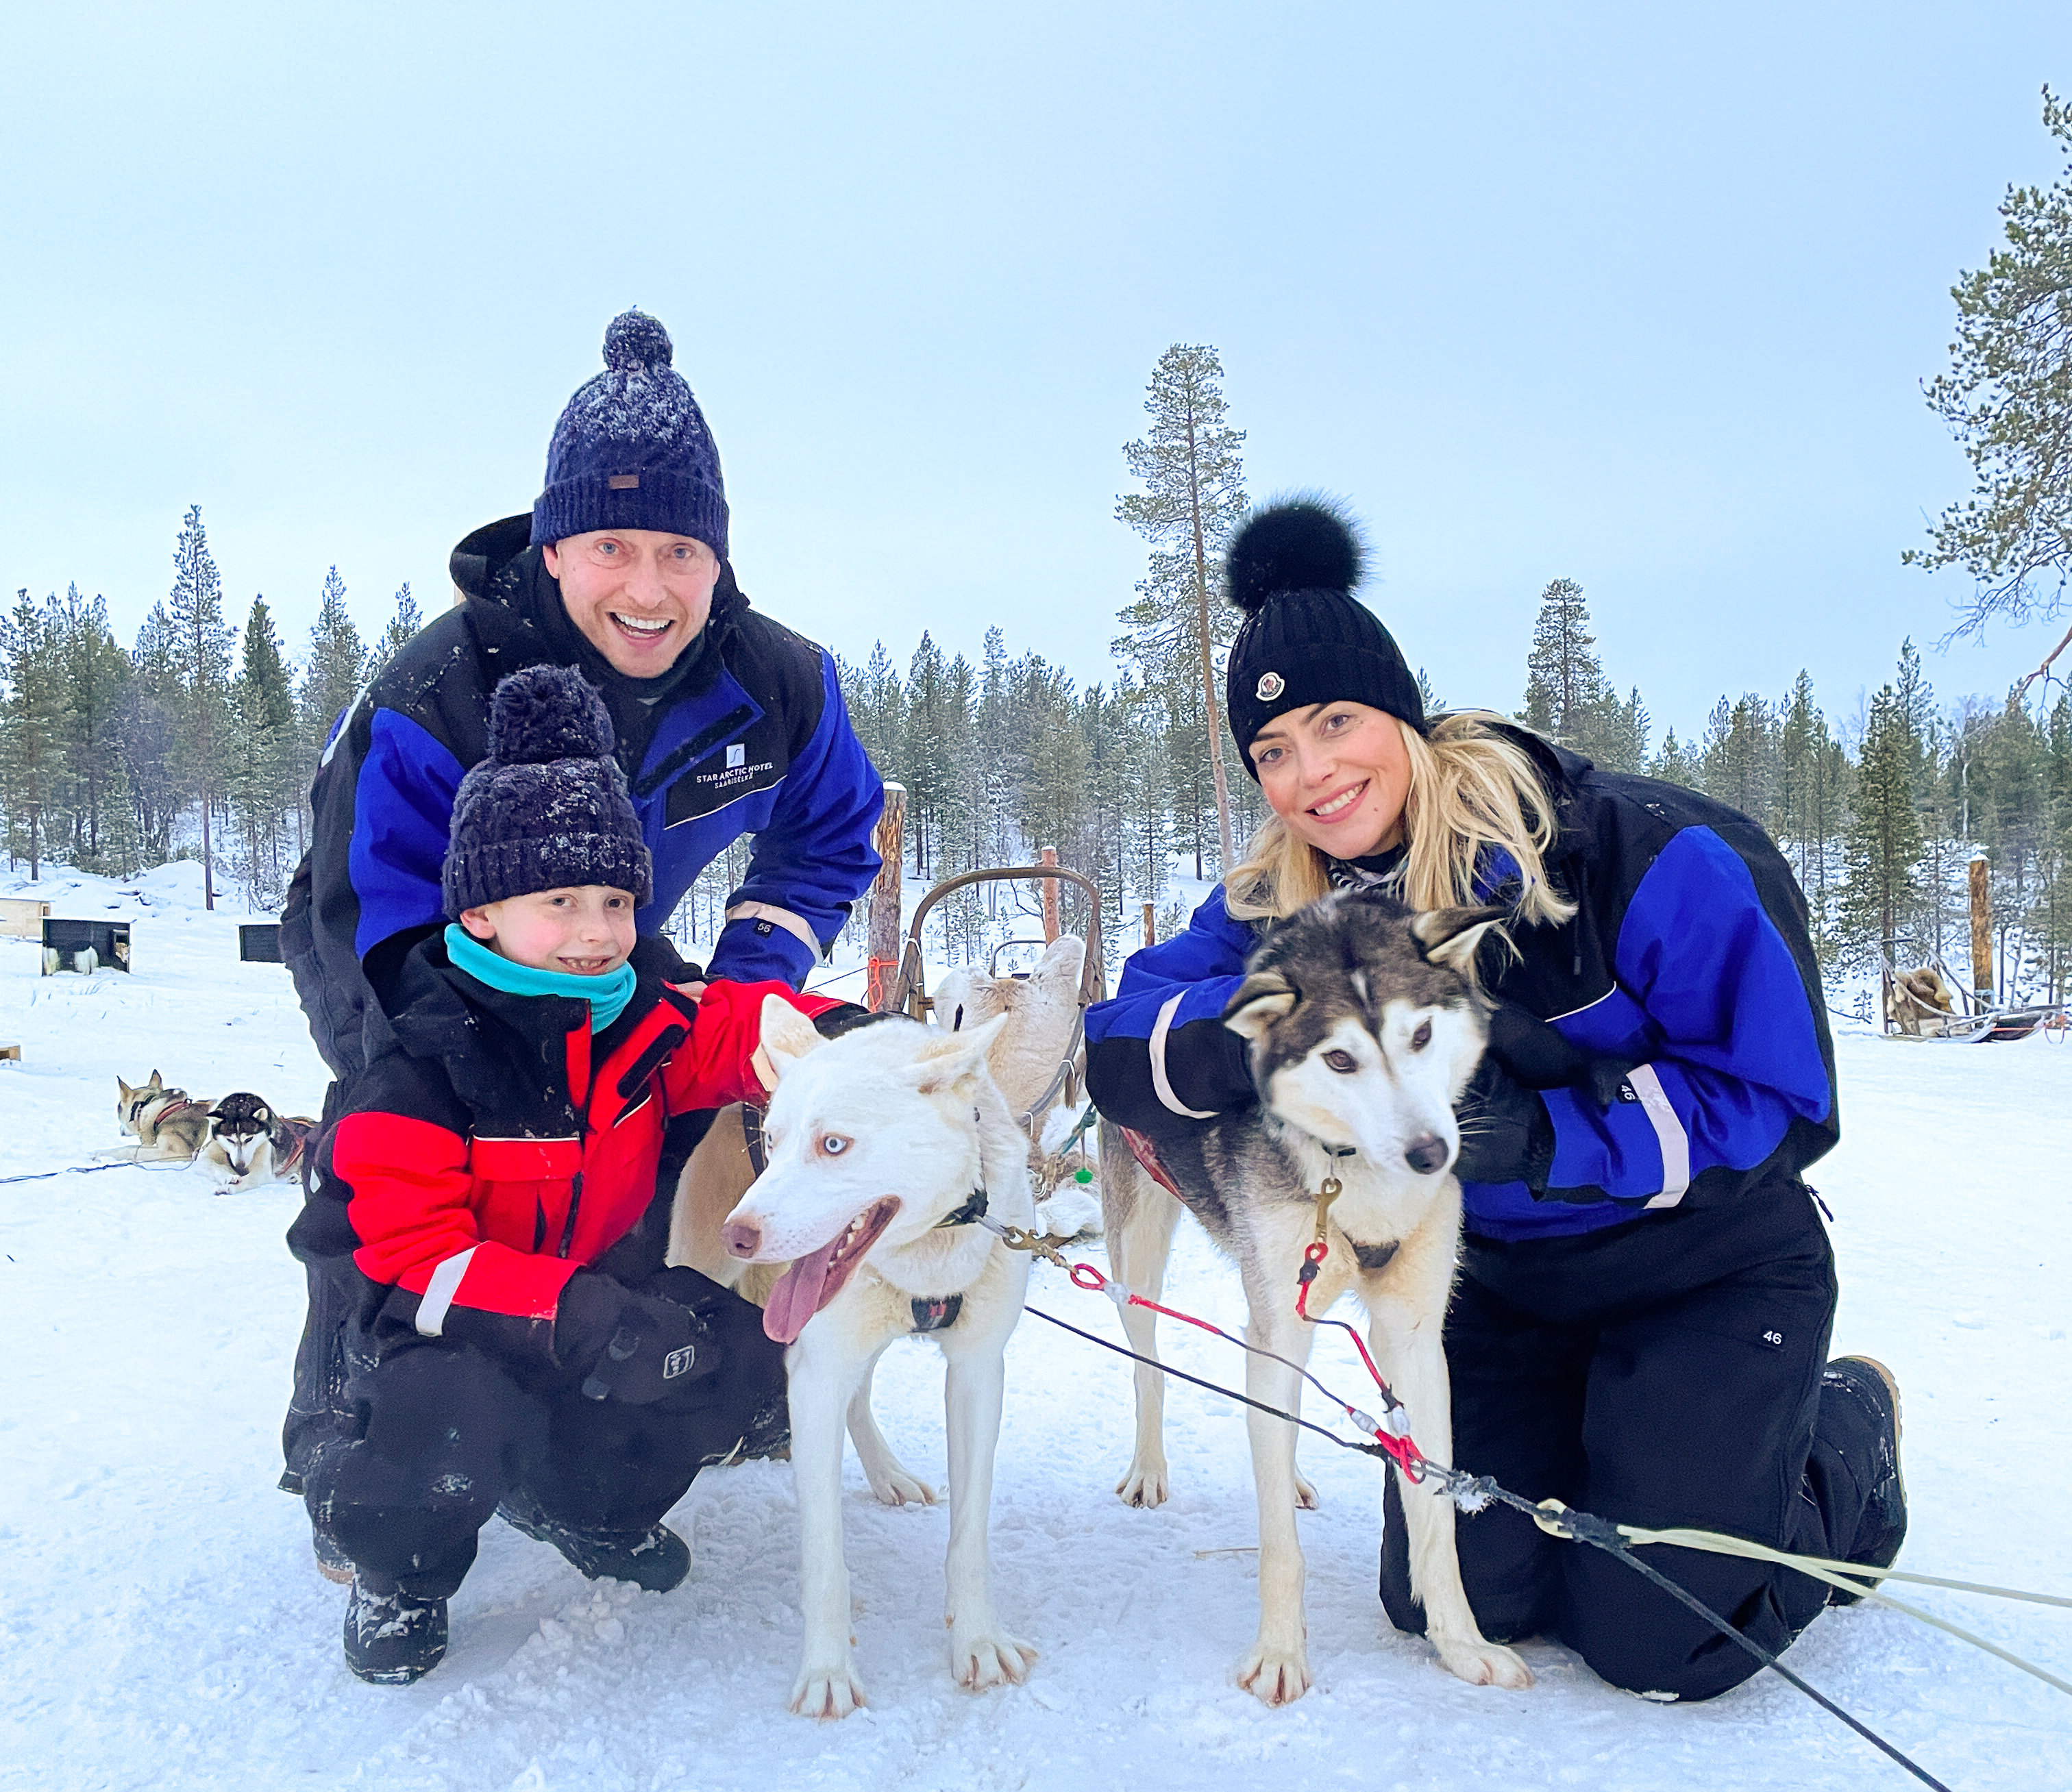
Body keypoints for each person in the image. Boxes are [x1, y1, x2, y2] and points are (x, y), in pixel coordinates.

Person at [1085, 499, 1906, 1703]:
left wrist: (1547, 1136)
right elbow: (1122, 1039)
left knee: (1663, 1637)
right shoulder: (1288, 907)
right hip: (1503, 1294)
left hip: (1700, 1262)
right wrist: (1234, 1039)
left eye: (1335, 723)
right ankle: (1614, 1441)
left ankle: (1849, 1429)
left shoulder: (1633, 852)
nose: (1309, 774)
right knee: (1450, 1598)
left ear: (1403, 717)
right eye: (1271, 753)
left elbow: (1782, 1101)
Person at [280, 308, 885, 1512]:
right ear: (553, 550)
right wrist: (443, 1067)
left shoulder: (777, 683)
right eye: (612, 545)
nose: (649, 589)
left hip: (613, 936)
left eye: (680, 551)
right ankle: (356, 1442)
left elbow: (830, 832)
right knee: (405, 1173)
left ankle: (576, 1443)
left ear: (719, 556)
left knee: (623, 1157)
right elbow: (371, 914)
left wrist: (757, 980)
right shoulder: (436, 692)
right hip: (400, 947)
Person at [290, 666, 839, 1685]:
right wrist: (587, 1317)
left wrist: (842, 1045)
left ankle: (585, 1505)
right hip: (440, 1342)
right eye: (560, 901)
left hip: (585, 1311)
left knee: (733, 1352)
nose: (597, 931)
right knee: (448, 1426)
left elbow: (731, 1031)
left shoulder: (638, 1019)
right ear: (485, 912)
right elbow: (416, 1265)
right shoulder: (420, 1061)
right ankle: (399, 1572)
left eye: (617, 900)